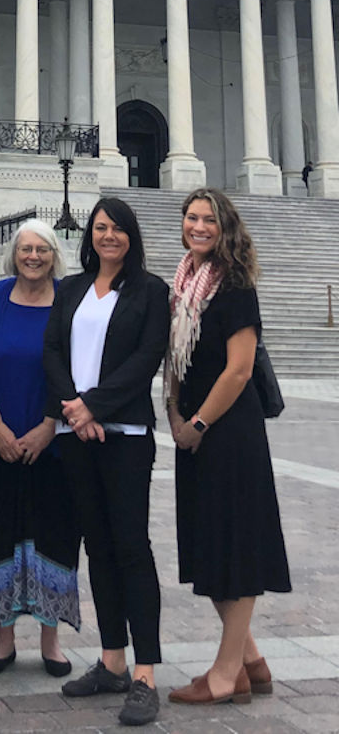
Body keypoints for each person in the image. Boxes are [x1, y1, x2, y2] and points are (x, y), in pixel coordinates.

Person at [44, 196, 169, 729]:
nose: (108, 236)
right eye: (100, 228)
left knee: (131, 547)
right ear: (89, 235)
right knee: (97, 546)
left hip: (125, 436)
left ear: (131, 235)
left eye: (117, 228)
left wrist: (94, 405)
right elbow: (52, 352)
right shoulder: (70, 288)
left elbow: (147, 357)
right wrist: (74, 407)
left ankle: (145, 674)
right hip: (77, 436)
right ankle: (112, 658)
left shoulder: (150, 290)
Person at [166, 189, 291, 707]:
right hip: (194, 431)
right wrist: (174, 413)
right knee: (210, 548)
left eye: (208, 219)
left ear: (225, 226)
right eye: (192, 218)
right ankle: (252, 662)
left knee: (234, 551)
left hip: (229, 434)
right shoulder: (182, 283)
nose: (199, 226)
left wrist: (196, 420)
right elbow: (177, 358)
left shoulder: (235, 286)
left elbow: (239, 368)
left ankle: (225, 674)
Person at [0, 219, 80, 677]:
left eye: (42, 250)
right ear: (14, 253)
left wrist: (49, 426)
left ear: (55, 255)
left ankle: (51, 639)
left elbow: (77, 369)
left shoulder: (68, 302)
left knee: (54, 536)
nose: (33, 257)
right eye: (25, 249)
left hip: (53, 446)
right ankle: (4, 637)